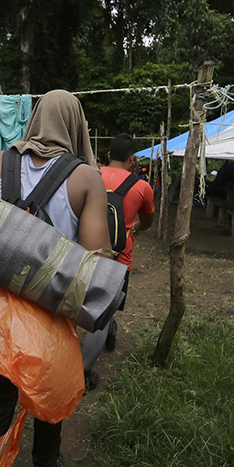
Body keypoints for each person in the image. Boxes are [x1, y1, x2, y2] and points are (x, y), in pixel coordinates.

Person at [0, 89, 110, 467]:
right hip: (50, 319)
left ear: (35, 118)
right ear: (77, 127)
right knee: (49, 405)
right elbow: (97, 264)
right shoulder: (86, 179)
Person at [81, 133, 155, 389]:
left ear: (109, 155)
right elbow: (147, 222)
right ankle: (83, 373)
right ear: (133, 159)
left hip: (83, 255)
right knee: (102, 315)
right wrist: (133, 227)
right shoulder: (142, 187)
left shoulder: (89, 175)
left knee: (78, 304)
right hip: (117, 261)